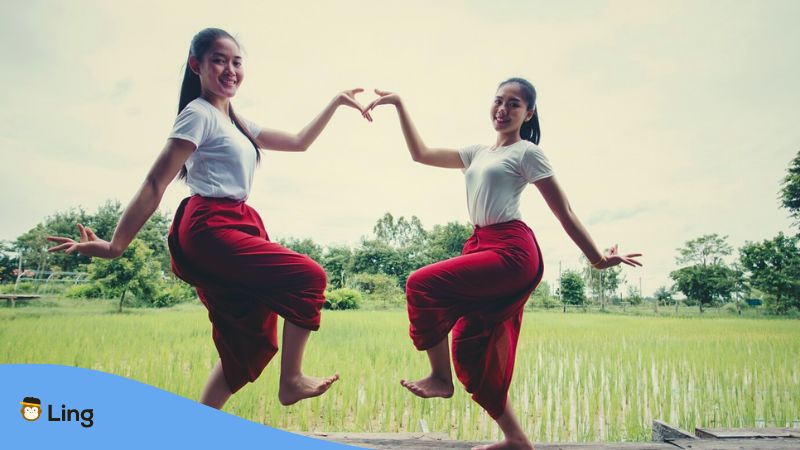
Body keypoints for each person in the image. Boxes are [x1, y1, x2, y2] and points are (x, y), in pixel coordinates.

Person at [47, 27, 371, 409]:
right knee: (309, 276)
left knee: (247, 339)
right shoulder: (198, 114)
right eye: (219, 60)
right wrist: (116, 245)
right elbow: (155, 182)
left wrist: (335, 102)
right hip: (211, 226)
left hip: (235, 222)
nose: (230, 69)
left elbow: (299, 141)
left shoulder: (235, 120)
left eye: (236, 61)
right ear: (196, 64)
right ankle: (292, 381)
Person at [363, 78, 642, 450]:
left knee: (421, 284)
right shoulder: (477, 152)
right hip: (481, 246)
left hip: (511, 251)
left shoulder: (528, 153)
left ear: (529, 113)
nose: (503, 109)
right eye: (499, 101)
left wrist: (597, 259)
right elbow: (421, 153)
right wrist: (399, 104)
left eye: (514, 104)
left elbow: (565, 211)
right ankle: (516, 439)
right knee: (470, 345)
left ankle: (439, 378)